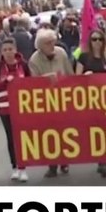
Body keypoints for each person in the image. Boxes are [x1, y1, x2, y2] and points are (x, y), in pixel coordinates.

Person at [28, 28, 73, 177]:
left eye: (53, 42)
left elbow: (70, 73)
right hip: (46, 101)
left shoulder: (61, 53)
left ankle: (64, 161)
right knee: (49, 134)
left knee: (64, 131)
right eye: (48, 43)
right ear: (40, 46)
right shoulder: (34, 59)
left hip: (63, 98)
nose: (52, 45)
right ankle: (52, 165)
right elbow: (33, 82)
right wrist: (46, 78)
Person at [0, 38, 31, 182]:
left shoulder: (23, 65)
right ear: (1, 52)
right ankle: (15, 167)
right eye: (5, 50)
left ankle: (23, 168)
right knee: (11, 138)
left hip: (22, 106)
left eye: (10, 49)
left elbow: (31, 82)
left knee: (21, 137)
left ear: (15, 50)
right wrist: (5, 82)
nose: (8, 52)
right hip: (5, 108)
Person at [75, 29, 106, 178]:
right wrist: (85, 76)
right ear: (90, 42)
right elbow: (76, 78)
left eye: (100, 39)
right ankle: (98, 156)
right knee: (94, 131)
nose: (97, 42)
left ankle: (104, 161)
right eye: (94, 39)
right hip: (89, 100)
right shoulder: (84, 57)